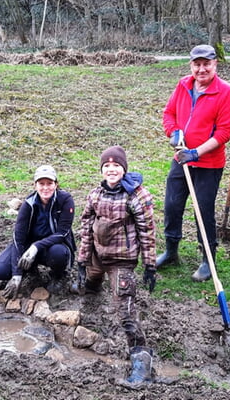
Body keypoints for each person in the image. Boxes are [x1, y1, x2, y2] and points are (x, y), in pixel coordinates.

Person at [75, 145, 157, 386]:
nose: (111, 170)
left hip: (122, 262)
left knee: (125, 311)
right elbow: (86, 229)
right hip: (98, 257)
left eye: (116, 166)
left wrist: (150, 265)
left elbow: (147, 232)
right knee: (91, 280)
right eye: (107, 166)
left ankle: (141, 362)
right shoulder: (95, 195)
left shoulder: (137, 196)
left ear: (124, 168)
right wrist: (82, 260)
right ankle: (91, 292)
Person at [158, 44, 230, 282]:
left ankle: (207, 259)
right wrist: (173, 133)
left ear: (215, 64)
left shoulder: (225, 92)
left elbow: (224, 133)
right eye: (197, 64)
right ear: (191, 65)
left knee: (203, 211)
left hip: (209, 164)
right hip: (181, 159)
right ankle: (171, 251)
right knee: (172, 205)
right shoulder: (183, 84)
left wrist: (196, 153)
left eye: (206, 64)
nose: (201, 69)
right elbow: (168, 113)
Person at [0, 165, 76, 298]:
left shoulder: (65, 200)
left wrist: (36, 246)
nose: (45, 187)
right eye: (41, 184)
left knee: (59, 254)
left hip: (53, 247)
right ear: (35, 185)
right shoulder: (28, 204)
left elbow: (62, 233)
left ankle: (58, 275)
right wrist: (16, 275)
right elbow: (18, 239)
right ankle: (30, 269)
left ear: (56, 184)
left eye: (49, 183)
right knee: (0, 271)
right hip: (28, 248)